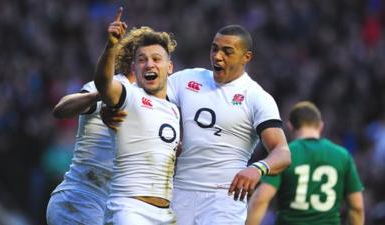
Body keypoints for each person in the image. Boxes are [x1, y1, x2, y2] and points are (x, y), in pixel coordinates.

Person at [166, 25, 291, 225]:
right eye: (214, 48)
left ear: (246, 57)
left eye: (227, 51)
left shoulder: (256, 97)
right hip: (180, 192)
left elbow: (283, 152)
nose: (217, 56)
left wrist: (258, 169)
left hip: (223, 198)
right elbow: (147, 101)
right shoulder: (188, 79)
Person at [46, 26, 154, 225]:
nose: (152, 66)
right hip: (79, 201)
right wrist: (100, 94)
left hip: (105, 210)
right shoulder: (111, 87)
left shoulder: (153, 105)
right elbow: (61, 110)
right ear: (132, 61)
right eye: (146, 58)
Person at [94, 7, 180, 225]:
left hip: (165, 214)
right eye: (142, 59)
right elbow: (104, 84)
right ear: (135, 67)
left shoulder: (174, 110)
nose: (149, 64)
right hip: (130, 210)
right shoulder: (130, 95)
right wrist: (112, 46)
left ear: (169, 67)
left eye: (156, 58)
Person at [246, 101, 365, 225]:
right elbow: (357, 207)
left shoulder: (283, 155)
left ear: (290, 126)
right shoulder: (342, 155)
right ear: (321, 126)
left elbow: (260, 199)